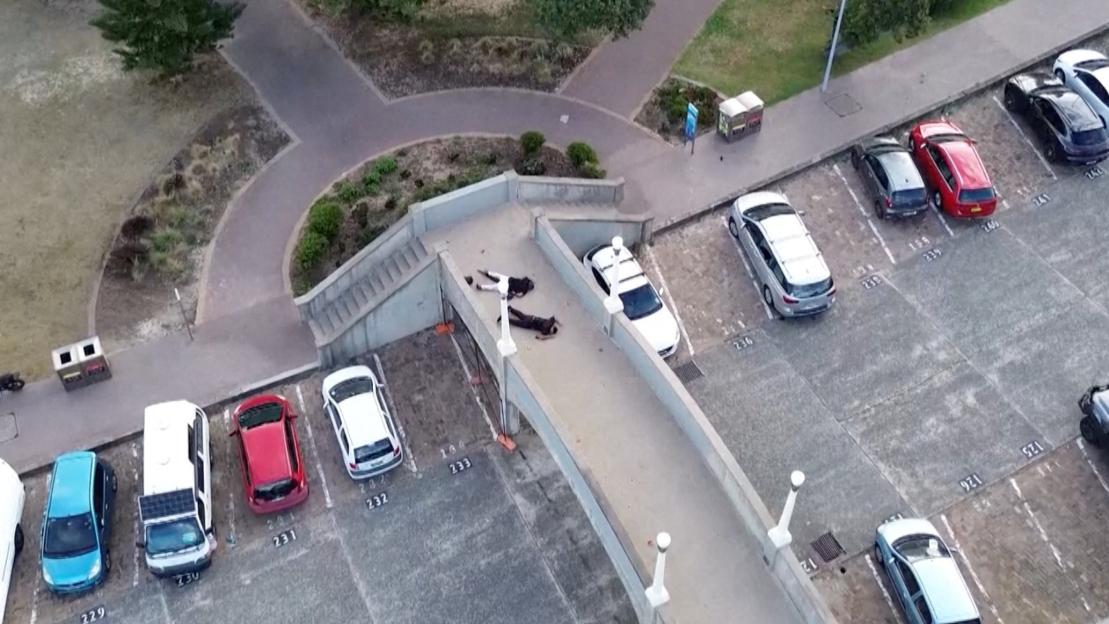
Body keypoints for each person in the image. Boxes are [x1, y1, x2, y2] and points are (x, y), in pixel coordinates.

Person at [467, 270, 534, 300]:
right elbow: (519, 295)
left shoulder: (526, 281)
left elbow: (525, 278)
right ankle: (481, 287)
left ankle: (488, 273)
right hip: (508, 286)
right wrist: (513, 293)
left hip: (509, 280)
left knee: (497, 276)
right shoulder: (525, 290)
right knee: (494, 287)